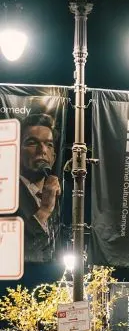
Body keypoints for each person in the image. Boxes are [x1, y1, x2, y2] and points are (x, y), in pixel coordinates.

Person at [18, 112, 62, 263]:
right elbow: (14, 249)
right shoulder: (7, 196)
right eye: (32, 142)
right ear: (17, 152)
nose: (42, 150)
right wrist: (44, 211)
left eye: (48, 144)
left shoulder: (60, 196)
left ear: (53, 157)